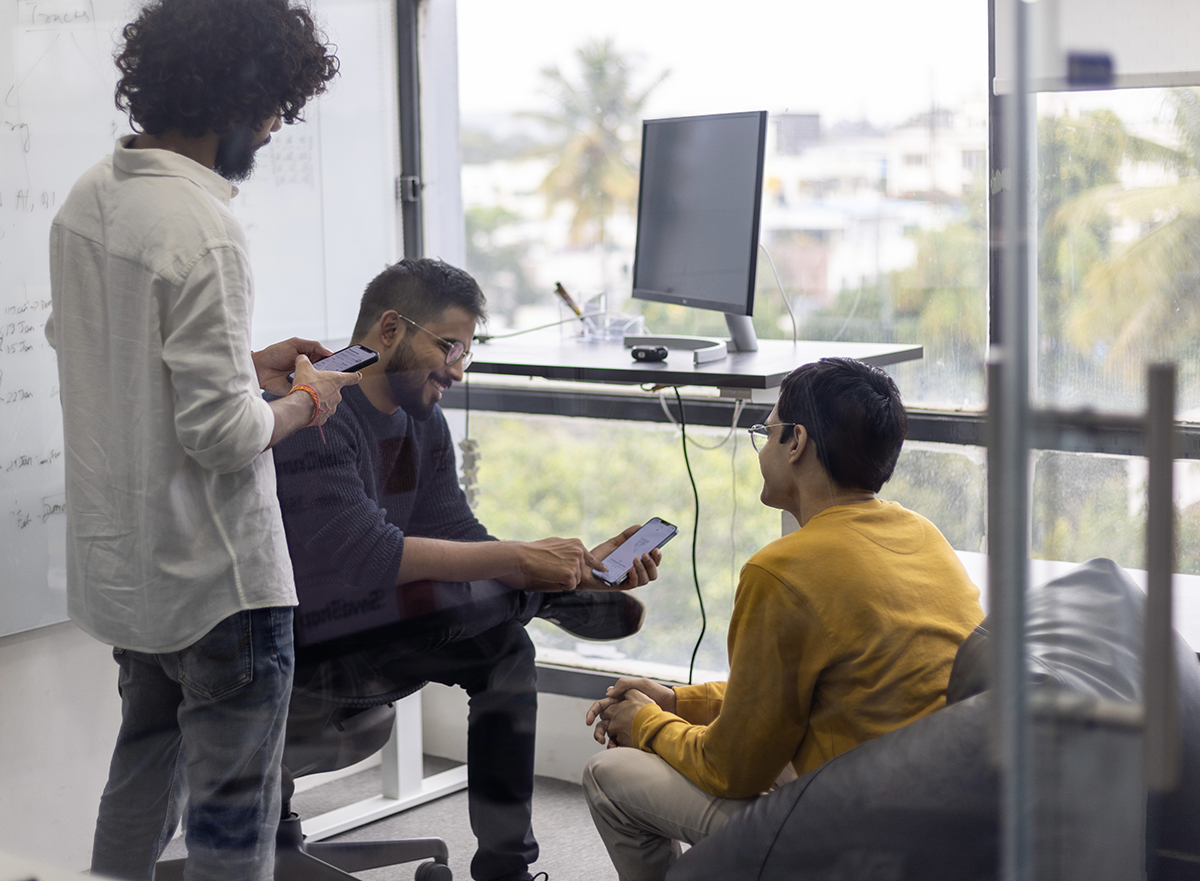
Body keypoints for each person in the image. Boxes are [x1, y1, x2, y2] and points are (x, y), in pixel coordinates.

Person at [44, 1, 361, 878]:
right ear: (240, 95)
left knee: (140, 775)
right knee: (230, 830)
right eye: (276, 107)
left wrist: (245, 361)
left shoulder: (87, 199)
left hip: (134, 576)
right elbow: (226, 437)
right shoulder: (203, 227)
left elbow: (104, 352)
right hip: (222, 585)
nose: (273, 126)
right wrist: (307, 397)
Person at [272, 257, 663, 881]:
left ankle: (505, 871)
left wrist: (551, 564)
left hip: (378, 631)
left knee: (503, 646)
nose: (457, 370)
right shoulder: (313, 410)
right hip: (303, 645)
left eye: (465, 353)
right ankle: (548, 595)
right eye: (450, 347)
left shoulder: (419, 421)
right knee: (488, 600)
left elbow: (456, 533)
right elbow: (367, 555)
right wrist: (525, 564)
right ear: (391, 329)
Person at [582, 357, 984, 881]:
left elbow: (732, 771)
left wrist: (643, 723)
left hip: (857, 835)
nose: (762, 447)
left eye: (765, 432)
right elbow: (805, 693)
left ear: (796, 442)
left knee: (609, 774)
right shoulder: (922, 535)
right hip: (942, 816)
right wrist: (679, 702)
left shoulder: (781, 571)